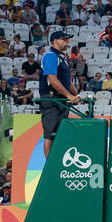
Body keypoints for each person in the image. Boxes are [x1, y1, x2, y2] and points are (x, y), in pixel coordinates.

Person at [38, 30, 80, 158]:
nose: (67, 42)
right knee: (50, 134)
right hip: (51, 98)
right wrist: (69, 95)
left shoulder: (62, 57)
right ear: (55, 40)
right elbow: (52, 79)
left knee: (59, 133)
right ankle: (49, 167)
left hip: (60, 99)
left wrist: (75, 93)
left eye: (68, 40)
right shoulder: (50, 55)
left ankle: (57, 162)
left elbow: (66, 79)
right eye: (64, 39)